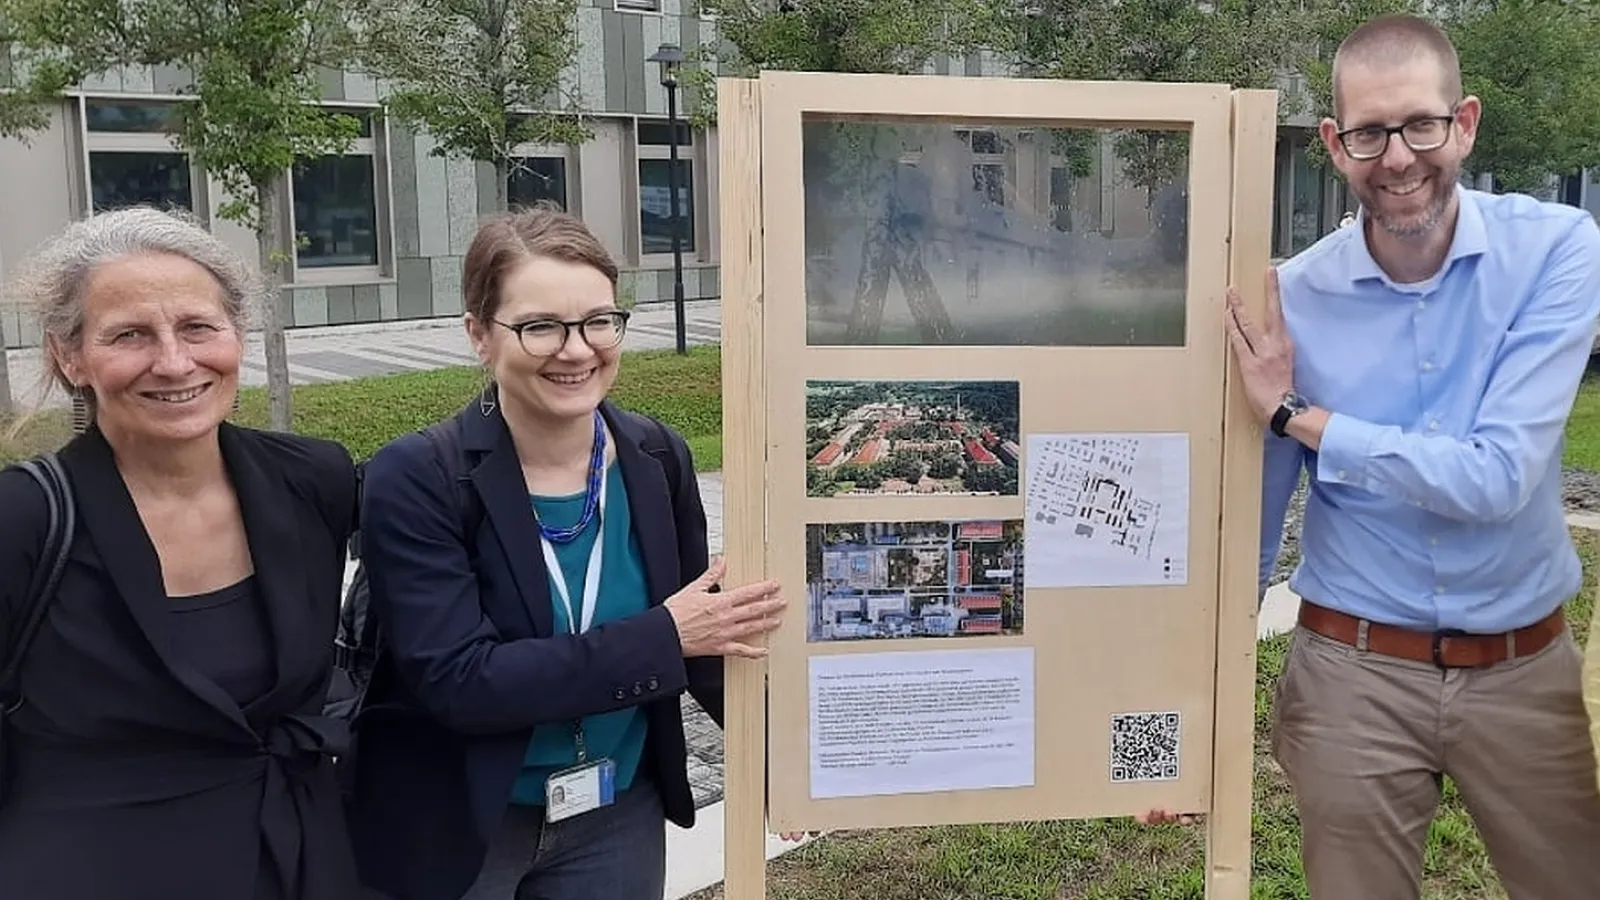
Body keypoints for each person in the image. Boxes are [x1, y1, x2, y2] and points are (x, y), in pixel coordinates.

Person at [1140, 13, 1600, 899]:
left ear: (1462, 122)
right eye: (1369, 132)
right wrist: (1185, 715)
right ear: (1333, 143)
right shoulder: (1293, 298)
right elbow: (1250, 524)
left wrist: (1300, 415)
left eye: (1421, 124)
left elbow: (1497, 477)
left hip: (1524, 670)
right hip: (1352, 674)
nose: (1398, 157)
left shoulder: (1556, 251)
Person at [343, 207, 788, 900]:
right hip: (461, 822)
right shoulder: (417, 477)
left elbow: (706, 638)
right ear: (479, 336)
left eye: (598, 320)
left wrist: (776, 759)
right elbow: (462, 681)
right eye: (540, 326)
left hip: (617, 815)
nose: (577, 350)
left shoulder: (654, 455)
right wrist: (662, 636)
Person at [0, 207, 363, 899]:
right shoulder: (23, 520)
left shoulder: (312, 479)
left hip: (298, 860)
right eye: (129, 334)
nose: (173, 361)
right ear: (68, 355)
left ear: (236, 333)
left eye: (198, 326)